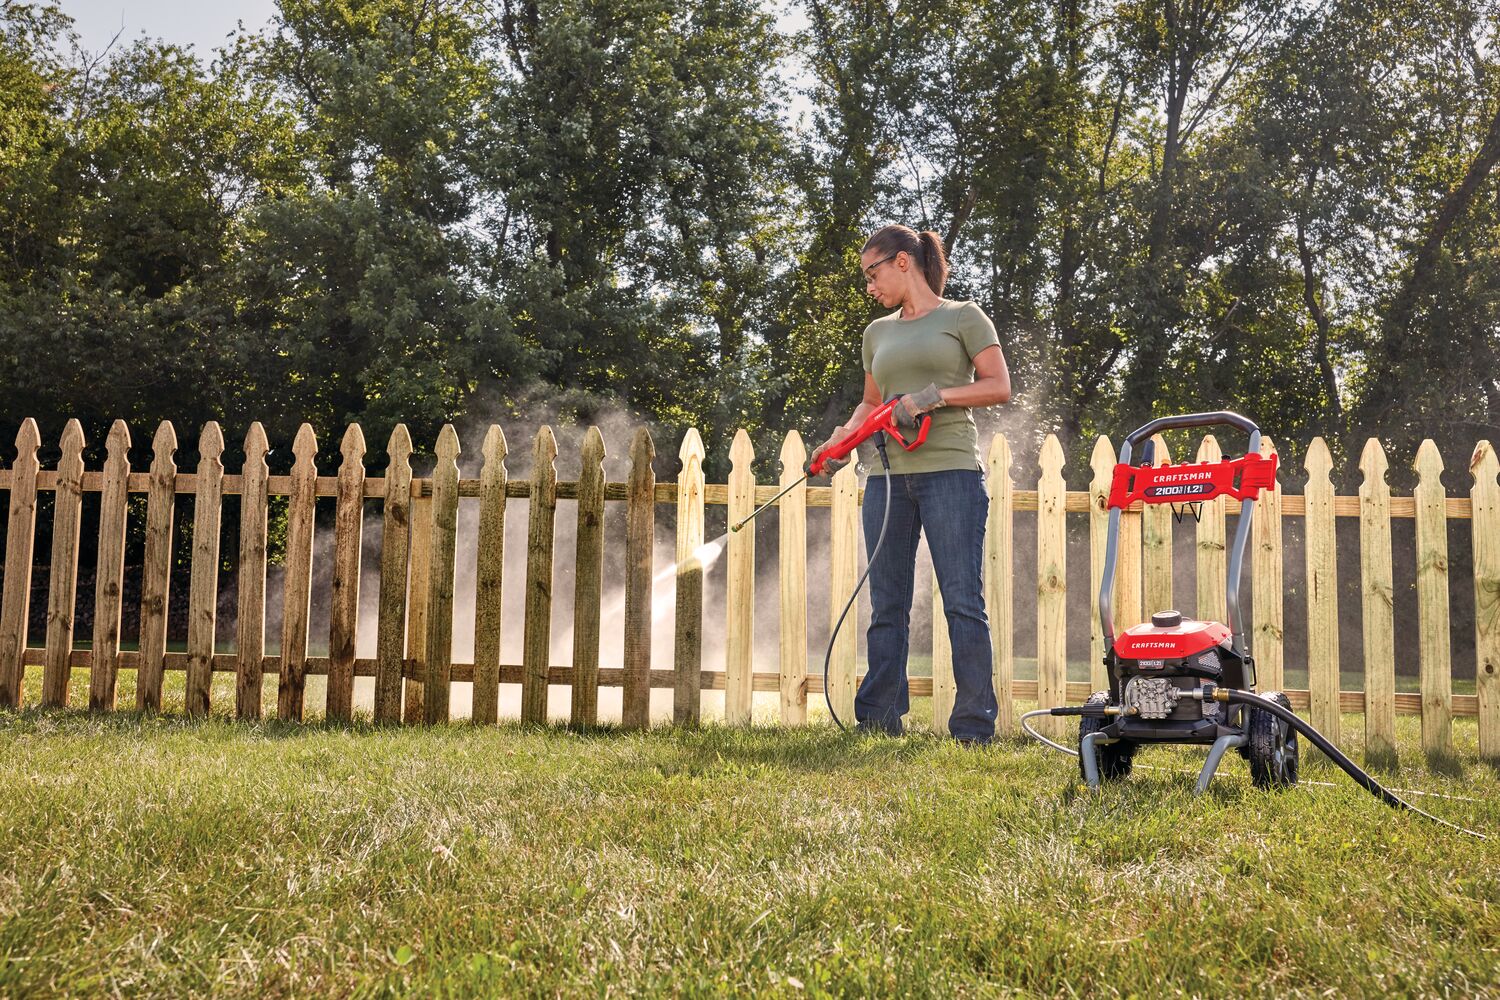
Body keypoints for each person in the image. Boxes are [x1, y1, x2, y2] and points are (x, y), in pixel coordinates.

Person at [811, 224, 1011, 743]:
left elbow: (998, 386)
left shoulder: (963, 317)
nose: (869, 286)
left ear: (903, 262)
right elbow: (869, 403)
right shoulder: (877, 332)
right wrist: (839, 441)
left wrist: (932, 398)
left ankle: (972, 727)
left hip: (951, 473)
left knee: (962, 600)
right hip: (886, 478)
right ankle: (878, 718)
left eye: (872, 273)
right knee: (888, 601)